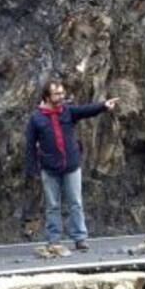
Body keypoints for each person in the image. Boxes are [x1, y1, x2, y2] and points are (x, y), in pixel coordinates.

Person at [24, 79, 118, 251]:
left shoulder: (67, 111)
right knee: (52, 205)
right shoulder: (36, 118)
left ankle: (80, 238)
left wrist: (104, 106)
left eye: (62, 93)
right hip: (49, 167)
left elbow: (86, 110)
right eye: (56, 94)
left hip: (71, 165)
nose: (60, 97)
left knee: (75, 202)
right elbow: (30, 145)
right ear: (46, 96)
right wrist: (32, 169)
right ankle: (54, 239)